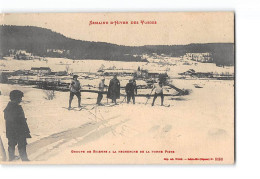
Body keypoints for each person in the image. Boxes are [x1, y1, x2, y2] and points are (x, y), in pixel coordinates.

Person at [3, 90, 31, 161]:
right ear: (15, 98)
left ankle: (11, 157)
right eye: (20, 98)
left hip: (11, 131)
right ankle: (24, 159)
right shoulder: (16, 107)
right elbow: (14, 119)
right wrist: (22, 121)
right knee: (22, 145)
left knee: (11, 144)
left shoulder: (9, 107)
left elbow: (9, 118)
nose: (21, 100)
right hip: (19, 131)